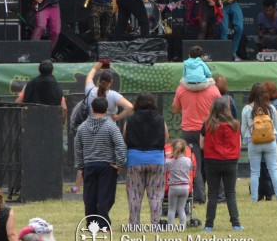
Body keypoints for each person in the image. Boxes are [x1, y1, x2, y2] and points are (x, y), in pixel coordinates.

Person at [75, 97, 127, 228]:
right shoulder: (111, 127)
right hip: (107, 166)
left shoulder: (82, 127)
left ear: (92, 108)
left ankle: (91, 223)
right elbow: (120, 145)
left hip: (89, 165)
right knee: (106, 196)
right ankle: (103, 223)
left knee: (89, 196)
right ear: (106, 109)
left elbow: (78, 148)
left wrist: (81, 166)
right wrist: (120, 163)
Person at [171, 77, 221, 203]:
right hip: (210, 129)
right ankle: (219, 196)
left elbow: (176, 109)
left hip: (190, 132)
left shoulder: (181, 88)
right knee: (215, 162)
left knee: (195, 165)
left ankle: (199, 196)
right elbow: (221, 110)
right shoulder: (213, 89)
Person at [123, 92, 168, 227]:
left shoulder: (130, 120)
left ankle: (134, 224)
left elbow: (125, 137)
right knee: (156, 193)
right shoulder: (160, 119)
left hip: (135, 159)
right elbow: (165, 136)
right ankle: (155, 223)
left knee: (134, 194)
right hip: (156, 159)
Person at [200, 97, 242, 231]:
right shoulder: (235, 125)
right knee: (230, 193)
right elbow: (239, 144)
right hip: (230, 161)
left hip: (212, 161)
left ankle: (208, 225)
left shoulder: (207, 124)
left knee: (212, 193)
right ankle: (236, 224)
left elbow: (201, 144)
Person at [242, 83, 277, 202]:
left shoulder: (247, 109)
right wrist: (276, 140)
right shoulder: (271, 108)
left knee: (255, 171)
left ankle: (254, 199)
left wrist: (247, 141)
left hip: (254, 142)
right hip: (270, 142)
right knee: (273, 170)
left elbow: (244, 129)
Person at [165, 139, 193, 229]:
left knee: (172, 208)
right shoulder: (188, 160)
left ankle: (170, 227)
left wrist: (168, 157)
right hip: (185, 188)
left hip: (174, 188)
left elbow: (165, 169)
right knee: (181, 209)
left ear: (172, 149)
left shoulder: (169, 161)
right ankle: (182, 226)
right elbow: (190, 168)